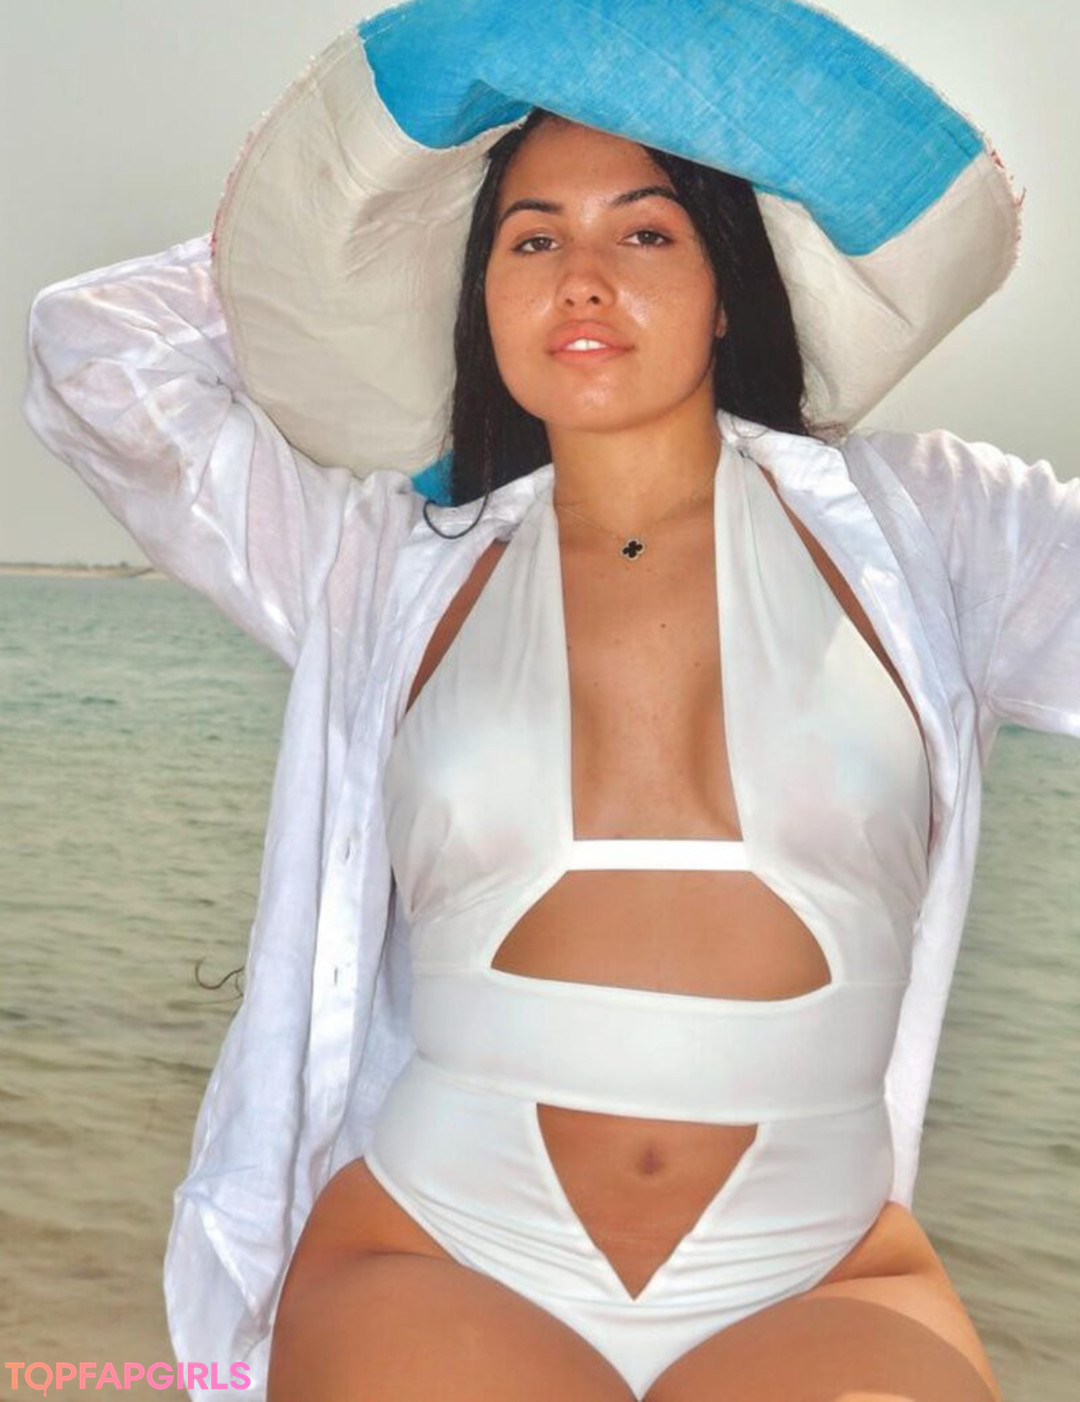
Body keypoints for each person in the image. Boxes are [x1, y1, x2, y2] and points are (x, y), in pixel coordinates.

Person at [20, 2, 1078, 1400]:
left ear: (728, 284)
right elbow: (97, 356)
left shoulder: (931, 530)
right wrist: (358, 233)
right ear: (472, 295)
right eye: (531, 242)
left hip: (817, 1269)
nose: (582, 279)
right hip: (440, 1246)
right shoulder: (384, 564)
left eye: (645, 234)